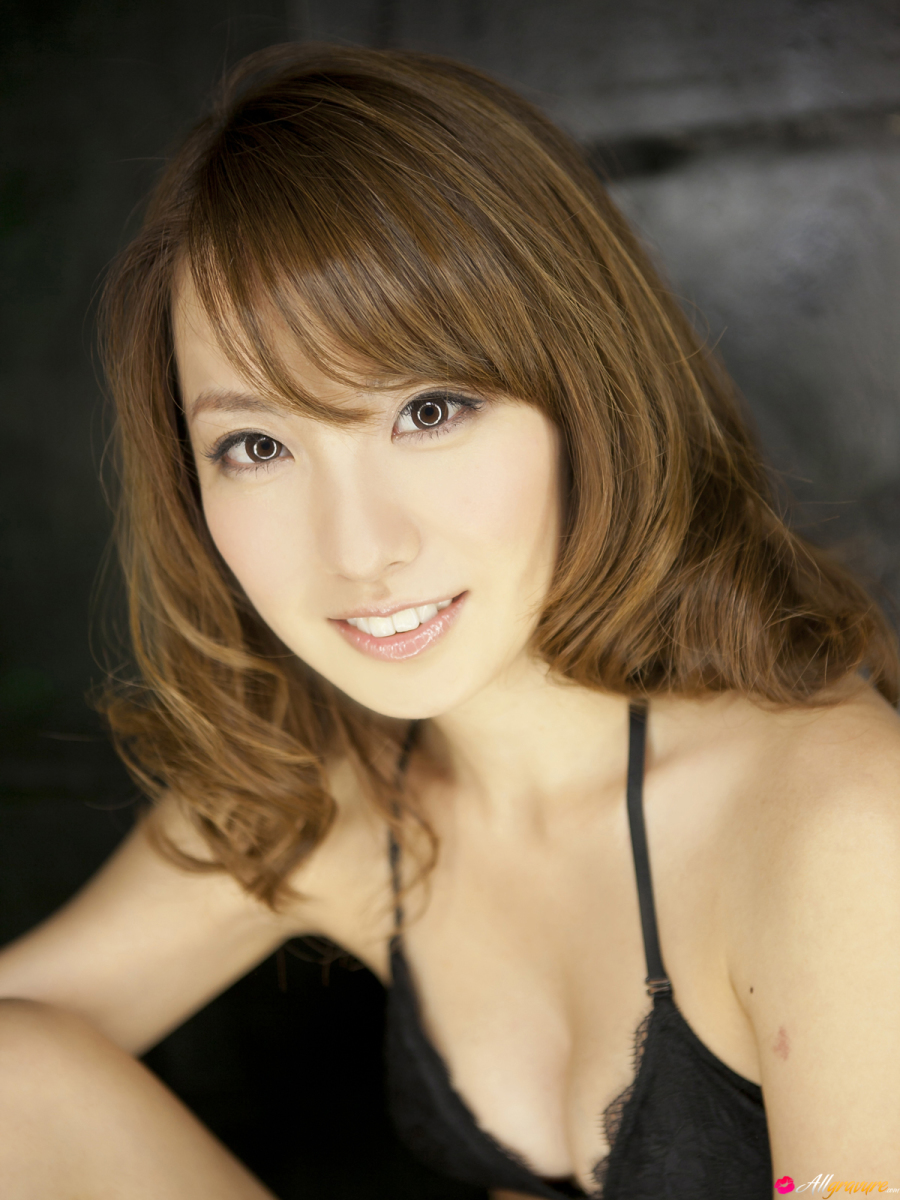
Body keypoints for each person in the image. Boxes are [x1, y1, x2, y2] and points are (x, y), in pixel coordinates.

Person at [0, 42, 898, 1200]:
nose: (358, 549)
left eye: (429, 411)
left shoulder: (839, 830)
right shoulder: (339, 795)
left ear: (586, 398)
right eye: (257, 445)